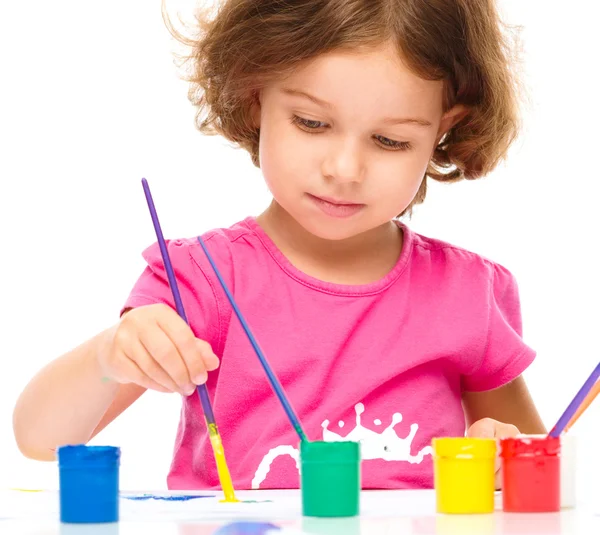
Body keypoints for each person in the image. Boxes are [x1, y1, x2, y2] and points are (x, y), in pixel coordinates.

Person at [13, 0, 546, 491]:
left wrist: (503, 455)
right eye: (312, 123)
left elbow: (534, 465)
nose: (344, 170)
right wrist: (111, 355)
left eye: (391, 141)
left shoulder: (467, 293)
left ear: (444, 131)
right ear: (253, 99)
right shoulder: (202, 279)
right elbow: (39, 438)